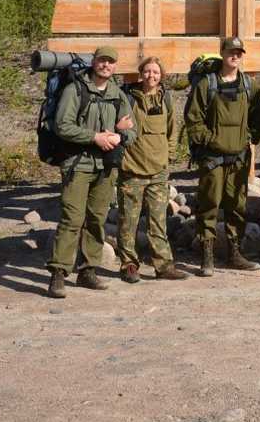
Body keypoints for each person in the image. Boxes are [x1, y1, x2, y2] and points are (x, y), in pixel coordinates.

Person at [46, 46, 136, 299]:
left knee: (96, 218)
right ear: (94, 62)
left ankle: (88, 270)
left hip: (105, 166)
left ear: (115, 66)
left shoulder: (118, 95)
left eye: (110, 62)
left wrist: (119, 135)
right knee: (72, 218)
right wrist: (94, 137)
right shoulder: (75, 90)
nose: (106, 65)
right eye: (102, 61)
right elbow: (62, 126)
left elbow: (132, 130)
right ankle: (59, 273)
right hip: (78, 163)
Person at [184, 37, 260, 277]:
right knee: (208, 205)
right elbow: (193, 118)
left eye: (239, 52)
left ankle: (235, 254)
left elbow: (258, 118)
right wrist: (209, 140)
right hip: (212, 159)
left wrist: (248, 138)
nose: (235, 56)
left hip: (239, 158)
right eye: (231, 52)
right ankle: (207, 256)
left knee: (237, 207)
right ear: (222, 53)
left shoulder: (250, 86)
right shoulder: (206, 85)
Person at [115, 56, 187, 283]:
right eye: (147, 71)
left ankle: (164, 266)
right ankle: (128, 265)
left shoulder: (165, 98)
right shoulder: (126, 97)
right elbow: (116, 127)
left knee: (158, 222)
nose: (151, 76)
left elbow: (172, 131)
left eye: (155, 72)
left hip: (158, 171)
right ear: (141, 73)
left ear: (161, 75)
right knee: (128, 222)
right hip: (131, 170)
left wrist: (169, 157)